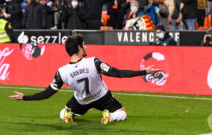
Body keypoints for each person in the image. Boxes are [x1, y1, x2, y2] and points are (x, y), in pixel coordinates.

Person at [10, 34, 160, 124]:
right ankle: (110, 116)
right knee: (122, 113)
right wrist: (143, 71)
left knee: (63, 113)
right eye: (84, 44)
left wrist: (25, 97)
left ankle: (69, 115)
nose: (86, 46)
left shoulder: (62, 72)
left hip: (81, 100)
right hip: (102, 97)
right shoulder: (94, 62)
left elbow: (47, 94)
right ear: (80, 48)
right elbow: (118, 73)